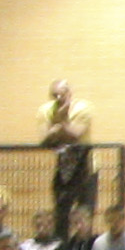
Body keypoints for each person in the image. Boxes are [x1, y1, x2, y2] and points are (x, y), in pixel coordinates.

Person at [39, 80, 94, 240]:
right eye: (54, 95)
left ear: (69, 93)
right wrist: (58, 130)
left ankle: (84, 247)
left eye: (62, 94)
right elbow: (45, 141)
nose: (58, 98)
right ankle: (62, 247)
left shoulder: (83, 108)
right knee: (61, 213)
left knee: (84, 212)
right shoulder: (45, 110)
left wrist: (60, 123)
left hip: (86, 166)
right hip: (63, 166)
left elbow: (75, 134)